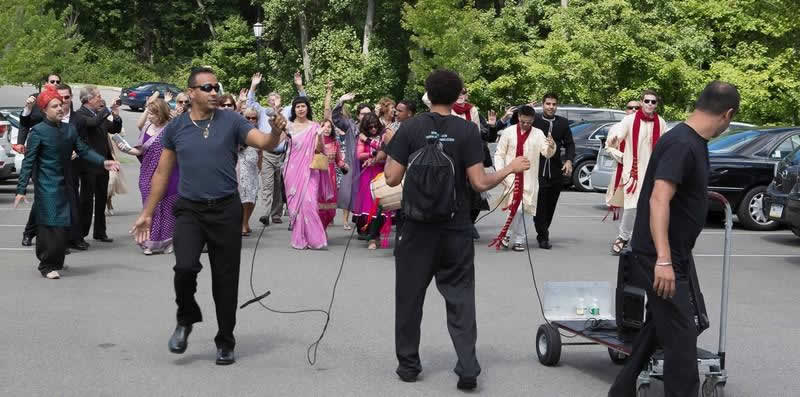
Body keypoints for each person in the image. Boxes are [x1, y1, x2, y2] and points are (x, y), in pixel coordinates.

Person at [384, 69, 531, 391]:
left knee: (409, 298)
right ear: (457, 96)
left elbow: (392, 178)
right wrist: (510, 168)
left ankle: (408, 365)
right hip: (456, 226)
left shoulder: (410, 128)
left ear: (427, 93)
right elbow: (479, 182)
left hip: (416, 227)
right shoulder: (466, 131)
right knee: (460, 297)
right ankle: (467, 366)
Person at [130, 67, 285, 366]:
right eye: (207, 88)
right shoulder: (176, 128)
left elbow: (265, 142)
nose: (214, 92)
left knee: (225, 280)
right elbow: (162, 172)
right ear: (191, 93)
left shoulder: (232, 120)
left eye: (216, 87)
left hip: (226, 209)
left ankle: (225, 340)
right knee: (185, 268)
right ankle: (185, 319)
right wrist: (147, 212)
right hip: (190, 210)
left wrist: (276, 130)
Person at [609, 81, 740, 397]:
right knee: (682, 338)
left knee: (658, 326)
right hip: (660, 257)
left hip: (673, 255)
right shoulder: (682, 143)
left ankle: (621, 391)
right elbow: (658, 199)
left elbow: (676, 192)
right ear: (728, 114)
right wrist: (664, 260)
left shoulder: (690, 141)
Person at [14, 85, 120, 279]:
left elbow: (84, 150)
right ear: (45, 110)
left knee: (64, 227)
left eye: (61, 105)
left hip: (66, 184)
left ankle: (57, 262)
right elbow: (28, 162)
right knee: (50, 228)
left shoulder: (69, 129)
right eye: (54, 106)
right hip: (47, 187)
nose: (60, 108)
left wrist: (103, 161)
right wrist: (21, 190)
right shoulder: (37, 132)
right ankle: (46, 265)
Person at [606, 90, 667, 255]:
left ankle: (644, 240)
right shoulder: (629, 120)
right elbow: (616, 140)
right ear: (642, 102)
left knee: (650, 208)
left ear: (657, 105)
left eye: (653, 102)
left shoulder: (660, 122)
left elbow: (665, 146)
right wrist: (615, 144)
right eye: (647, 101)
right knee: (631, 207)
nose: (650, 104)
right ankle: (622, 237)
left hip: (653, 173)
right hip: (633, 173)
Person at [117, 95, 179, 255]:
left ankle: (167, 242)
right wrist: (126, 149)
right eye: (149, 113)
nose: (150, 117)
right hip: (147, 172)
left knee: (167, 207)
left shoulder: (171, 129)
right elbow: (140, 150)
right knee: (150, 207)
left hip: (170, 174)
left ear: (162, 113)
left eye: (153, 114)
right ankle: (148, 243)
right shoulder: (146, 128)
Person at [491, 105, 556, 252]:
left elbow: (546, 153)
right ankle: (506, 234)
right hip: (511, 176)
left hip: (530, 178)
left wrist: (552, 145)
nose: (526, 125)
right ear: (518, 118)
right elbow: (499, 154)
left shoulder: (538, 133)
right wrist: (501, 172)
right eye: (523, 122)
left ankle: (520, 239)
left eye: (529, 122)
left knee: (527, 210)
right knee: (516, 208)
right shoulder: (508, 132)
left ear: (533, 120)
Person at [246, 72, 306, 226]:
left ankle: (276, 213)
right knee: (267, 184)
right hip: (267, 153)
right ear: (267, 101)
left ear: (281, 101)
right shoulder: (263, 111)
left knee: (280, 185)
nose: (273, 101)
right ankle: (265, 214)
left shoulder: (286, 111)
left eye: (276, 99)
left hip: (284, 154)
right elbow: (250, 103)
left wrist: (299, 86)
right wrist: (253, 85)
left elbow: (302, 102)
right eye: (271, 99)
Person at [16, 73, 62, 247]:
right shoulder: (35, 99)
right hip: (38, 155)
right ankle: (30, 232)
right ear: (45, 83)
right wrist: (20, 142)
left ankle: (58, 237)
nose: (55, 84)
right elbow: (24, 122)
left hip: (57, 156)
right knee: (42, 197)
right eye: (52, 81)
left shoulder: (61, 101)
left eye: (58, 82)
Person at [282, 97, 333, 249]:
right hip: (291, 170)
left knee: (310, 203)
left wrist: (318, 135)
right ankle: (299, 239)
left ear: (308, 108)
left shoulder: (314, 126)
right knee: (295, 206)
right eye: (297, 107)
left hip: (310, 170)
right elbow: (278, 144)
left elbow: (319, 149)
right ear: (294, 109)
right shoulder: (289, 126)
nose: (300, 109)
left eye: (303, 106)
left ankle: (316, 240)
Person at [75, 85, 123, 244]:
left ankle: (100, 232)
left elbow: (114, 128)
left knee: (102, 199)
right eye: (97, 96)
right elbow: (93, 123)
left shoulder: (98, 114)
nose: (100, 99)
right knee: (86, 201)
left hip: (103, 163)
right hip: (88, 164)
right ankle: (80, 234)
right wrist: (107, 109)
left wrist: (116, 114)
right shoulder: (80, 115)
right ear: (88, 99)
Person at [532, 93, 575, 249]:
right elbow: (518, 120)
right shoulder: (535, 120)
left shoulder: (562, 123)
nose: (551, 107)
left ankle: (543, 231)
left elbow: (570, 144)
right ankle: (543, 236)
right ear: (543, 105)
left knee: (550, 205)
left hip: (556, 170)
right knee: (540, 206)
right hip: (537, 170)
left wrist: (569, 160)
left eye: (554, 104)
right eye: (548, 104)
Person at [332, 92, 372, 231]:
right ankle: (345, 220)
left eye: (368, 113)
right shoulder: (350, 126)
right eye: (362, 113)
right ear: (358, 115)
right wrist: (341, 101)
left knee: (367, 194)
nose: (365, 116)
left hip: (369, 165)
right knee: (347, 193)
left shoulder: (374, 129)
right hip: (352, 164)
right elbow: (336, 118)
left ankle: (367, 221)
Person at [353, 113, 389, 250]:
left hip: (382, 173)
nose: (374, 129)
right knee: (369, 207)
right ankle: (372, 236)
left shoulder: (384, 134)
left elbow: (385, 148)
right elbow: (359, 155)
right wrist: (372, 155)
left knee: (381, 205)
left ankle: (376, 235)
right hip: (367, 174)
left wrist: (368, 141)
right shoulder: (361, 138)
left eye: (375, 126)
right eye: (370, 127)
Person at [319, 119, 348, 229]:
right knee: (318, 204)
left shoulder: (335, 142)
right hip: (318, 175)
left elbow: (338, 160)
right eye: (324, 126)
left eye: (329, 127)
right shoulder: (315, 141)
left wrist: (344, 166)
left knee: (330, 206)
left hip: (331, 176)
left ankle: (324, 226)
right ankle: (319, 229)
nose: (326, 129)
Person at [238, 108, 263, 236]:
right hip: (241, 167)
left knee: (252, 197)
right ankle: (242, 224)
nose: (251, 120)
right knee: (243, 196)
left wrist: (260, 167)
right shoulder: (237, 131)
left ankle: (246, 222)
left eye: (254, 118)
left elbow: (261, 151)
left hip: (253, 168)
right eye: (248, 117)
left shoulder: (258, 133)